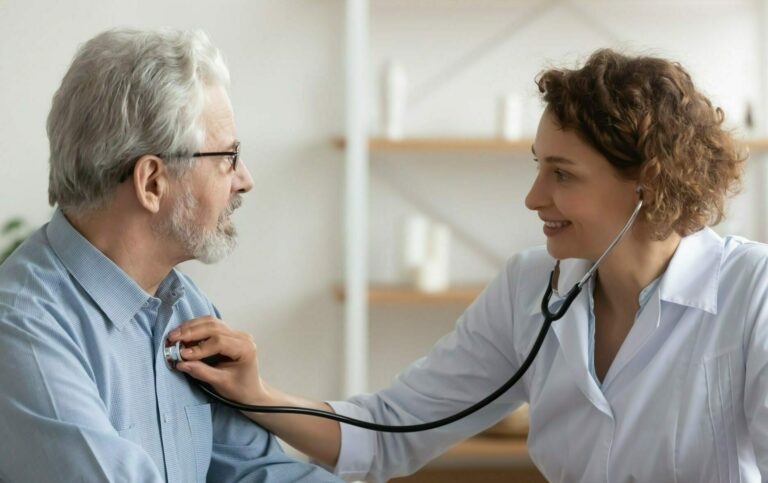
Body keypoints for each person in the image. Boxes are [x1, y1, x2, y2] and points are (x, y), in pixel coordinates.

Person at [168, 49, 765, 482]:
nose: (534, 198)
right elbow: (389, 433)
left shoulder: (752, 293)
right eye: (537, 167)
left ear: (648, 183)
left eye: (562, 174)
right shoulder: (530, 288)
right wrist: (257, 394)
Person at [0, 28, 340, 482]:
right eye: (229, 156)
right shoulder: (23, 331)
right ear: (152, 183)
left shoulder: (184, 306)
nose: (244, 179)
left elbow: (256, 472)